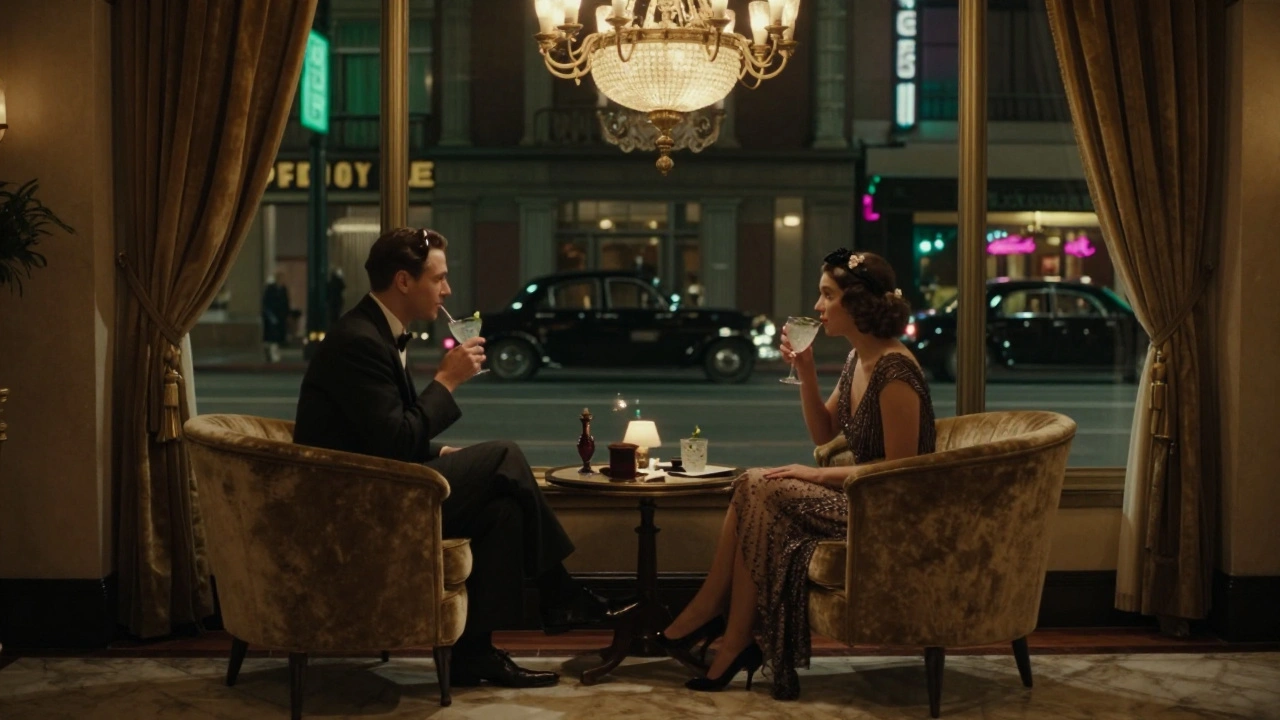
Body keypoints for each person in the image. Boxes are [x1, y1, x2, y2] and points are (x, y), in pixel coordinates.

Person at [293, 227, 621, 688]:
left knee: (502, 509)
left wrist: (440, 451)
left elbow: (378, 436)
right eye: (439, 279)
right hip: (354, 510)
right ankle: (559, 591)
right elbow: (391, 439)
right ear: (404, 281)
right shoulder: (358, 340)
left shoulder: (378, 332)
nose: (447, 290)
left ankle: (475, 655)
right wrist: (446, 382)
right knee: (505, 453)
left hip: (375, 484)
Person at [658, 249, 937, 700]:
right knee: (754, 485)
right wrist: (806, 373)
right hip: (860, 499)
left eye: (827, 295)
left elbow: (899, 474)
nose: (817, 306)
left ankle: (714, 616)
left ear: (858, 302)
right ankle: (732, 641)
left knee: (759, 487)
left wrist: (817, 475)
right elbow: (826, 431)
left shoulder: (894, 368)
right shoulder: (856, 360)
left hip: (892, 513)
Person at [261, 271, 290, 363]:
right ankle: (271, 354)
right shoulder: (270, 288)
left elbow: (286, 302)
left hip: (280, 316)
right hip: (271, 316)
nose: (282, 280)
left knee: (278, 337)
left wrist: (286, 314)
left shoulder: (283, 289)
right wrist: (270, 314)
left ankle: (274, 353)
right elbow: (266, 303)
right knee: (271, 337)